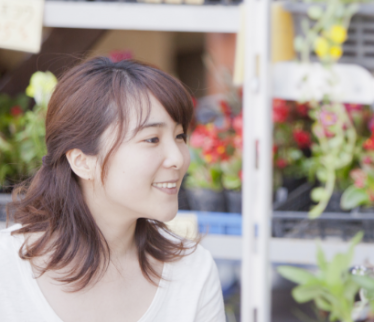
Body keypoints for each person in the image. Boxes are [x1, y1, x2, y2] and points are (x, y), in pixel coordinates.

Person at [0, 58, 226, 322]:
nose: (177, 158)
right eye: (151, 139)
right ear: (82, 161)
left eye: (179, 136)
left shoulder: (192, 272)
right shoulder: (7, 268)